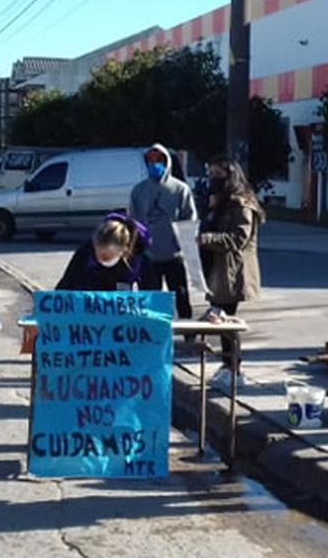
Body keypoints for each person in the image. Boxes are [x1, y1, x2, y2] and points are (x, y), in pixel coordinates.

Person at [197, 156, 264, 382]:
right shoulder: (220, 201)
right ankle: (227, 365)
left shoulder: (242, 203)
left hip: (234, 271)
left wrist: (207, 238)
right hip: (219, 269)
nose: (213, 180)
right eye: (211, 175)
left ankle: (234, 368)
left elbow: (238, 238)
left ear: (230, 176)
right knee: (220, 318)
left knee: (227, 319)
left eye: (218, 175)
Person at [130, 144, 197, 321]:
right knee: (150, 302)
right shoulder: (138, 191)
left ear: (167, 162)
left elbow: (189, 221)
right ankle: (153, 337)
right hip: (149, 255)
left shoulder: (180, 190)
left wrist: (185, 247)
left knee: (181, 297)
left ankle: (189, 336)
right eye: (151, 160)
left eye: (159, 160)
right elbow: (133, 222)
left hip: (174, 255)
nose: (155, 164)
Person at [54, 213, 150, 292]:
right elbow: (68, 282)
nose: (100, 260)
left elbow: (149, 291)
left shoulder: (140, 255)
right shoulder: (86, 250)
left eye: (106, 257)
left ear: (123, 250)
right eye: (97, 254)